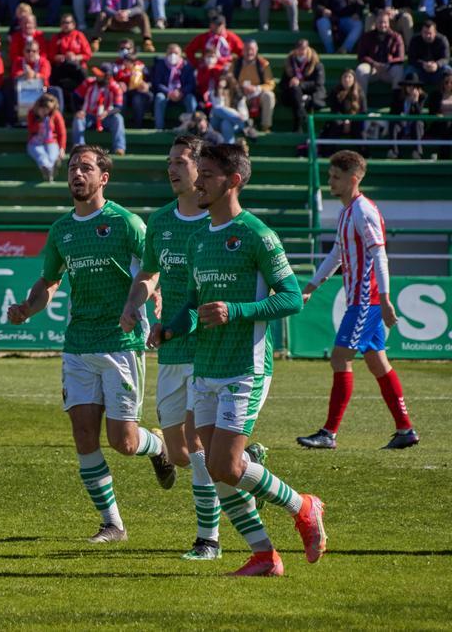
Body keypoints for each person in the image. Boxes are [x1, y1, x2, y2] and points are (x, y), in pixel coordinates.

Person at [150, 143, 326, 577]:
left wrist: (239, 310)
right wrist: (170, 327)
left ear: (233, 181)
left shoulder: (257, 235)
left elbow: (291, 298)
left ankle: (302, 506)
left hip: (245, 367)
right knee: (213, 467)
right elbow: (194, 301)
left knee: (225, 465)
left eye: (207, 174)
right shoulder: (198, 238)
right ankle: (264, 555)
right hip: (205, 363)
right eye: (201, 173)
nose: (199, 181)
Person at [7, 144, 176, 544]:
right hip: (79, 342)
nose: (76, 175)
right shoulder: (62, 229)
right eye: (72, 169)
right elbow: (49, 281)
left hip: (121, 341)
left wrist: (150, 293)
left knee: (123, 441)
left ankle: (158, 447)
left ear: (104, 178)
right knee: (83, 435)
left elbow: (155, 266)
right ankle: (113, 523)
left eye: (86, 168)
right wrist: (27, 309)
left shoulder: (126, 223)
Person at [120, 136, 226, 560]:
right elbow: (149, 272)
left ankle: (208, 538)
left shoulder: (214, 219)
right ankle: (243, 460)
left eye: (182, 161)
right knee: (180, 453)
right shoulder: (160, 221)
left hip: (211, 348)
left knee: (198, 449)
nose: (173, 168)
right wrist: (134, 302)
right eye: (170, 161)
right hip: (170, 346)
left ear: (201, 169)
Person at [297, 151, 420, 450]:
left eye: (336, 177)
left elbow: (380, 254)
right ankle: (405, 430)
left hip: (367, 299)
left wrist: (386, 299)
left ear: (354, 178)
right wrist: (312, 285)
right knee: (377, 362)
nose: (331, 182)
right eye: (329, 176)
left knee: (340, 358)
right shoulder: (346, 212)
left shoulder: (363, 211)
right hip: (362, 299)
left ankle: (329, 433)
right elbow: (337, 255)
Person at [91, 0, 155, 53]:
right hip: (114, 21)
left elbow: (140, 7)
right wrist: (116, 14)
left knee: (143, 16)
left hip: (129, 20)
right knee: (102, 15)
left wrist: (128, 12)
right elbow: (104, 7)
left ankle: (147, 41)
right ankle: (95, 40)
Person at [72, 65, 127, 155]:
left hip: (105, 117)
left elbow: (118, 107)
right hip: (88, 115)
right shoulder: (89, 82)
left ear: (107, 76)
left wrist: (107, 113)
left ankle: (119, 147)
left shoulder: (115, 87)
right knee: (78, 119)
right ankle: (79, 147)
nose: (97, 76)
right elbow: (75, 96)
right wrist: (79, 110)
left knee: (118, 118)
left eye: (100, 75)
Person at [355, 9, 406, 96]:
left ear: (389, 23)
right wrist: (374, 64)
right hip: (373, 69)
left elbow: (400, 57)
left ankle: (396, 104)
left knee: (399, 70)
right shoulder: (367, 36)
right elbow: (361, 55)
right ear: (375, 23)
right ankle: (361, 104)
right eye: (380, 22)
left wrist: (388, 64)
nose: (383, 25)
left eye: (385, 22)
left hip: (389, 69)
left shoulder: (396, 37)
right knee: (361, 70)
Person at [280, 38, 327, 132]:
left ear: (308, 49)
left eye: (303, 48)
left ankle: (297, 125)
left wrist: (300, 84)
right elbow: (282, 84)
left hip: (311, 95)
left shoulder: (316, 63)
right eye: (298, 48)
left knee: (297, 93)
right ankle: (302, 114)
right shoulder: (290, 62)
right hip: (293, 95)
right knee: (295, 91)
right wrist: (290, 83)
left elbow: (318, 83)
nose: (301, 51)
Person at [231, 40, 276, 134]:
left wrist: (256, 88)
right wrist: (240, 87)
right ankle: (240, 127)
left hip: (257, 95)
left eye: (252, 49)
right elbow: (230, 80)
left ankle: (265, 127)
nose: (249, 52)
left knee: (269, 96)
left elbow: (271, 84)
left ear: (256, 50)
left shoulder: (263, 64)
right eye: (247, 49)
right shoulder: (235, 63)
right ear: (243, 50)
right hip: (240, 95)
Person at [27, 93, 66, 182]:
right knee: (40, 154)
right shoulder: (31, 113)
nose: (46, 112)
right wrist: (40, 120)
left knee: (52, 155)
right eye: (44, 109)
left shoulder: (56, 114)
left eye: (48, 109)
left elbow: (62, 133)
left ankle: (49, 171)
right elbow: (31, 130)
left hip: (51, 141)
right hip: (35, 142)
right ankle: (48, 169)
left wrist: (62, 148)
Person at [408, 19, 451, 86]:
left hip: (437, 71)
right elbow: (411, 59)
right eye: (425, 33)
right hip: (420, 71)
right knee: (409, 72)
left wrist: (437, 64)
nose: (427, 36)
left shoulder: (442, 40)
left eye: (430, 33)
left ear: (435, 32)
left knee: (448, 70)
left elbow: (446, 58)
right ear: (421, 32)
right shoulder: (415, 40)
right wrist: (423, 64)